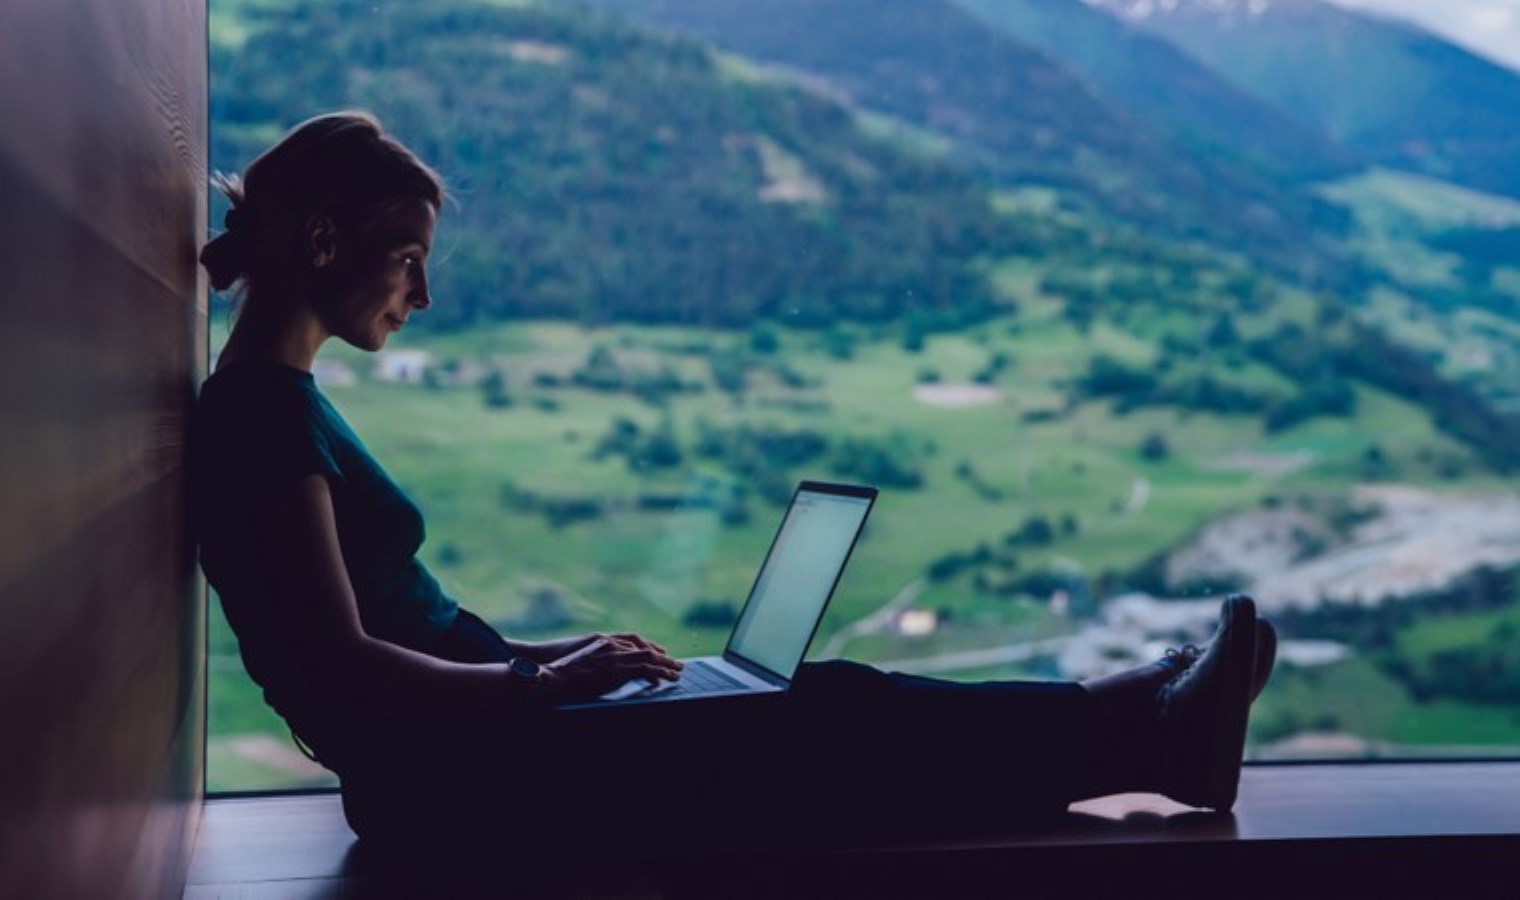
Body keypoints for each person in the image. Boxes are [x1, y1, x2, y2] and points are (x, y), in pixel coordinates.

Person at [192, 111, 1278, 857]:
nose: (421, 294)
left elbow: (393, 630)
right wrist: (537, 688)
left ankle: (1141, 708)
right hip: (460, 778)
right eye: (406, 257)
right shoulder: (261, 414)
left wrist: (550, 660)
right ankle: (1144, 729)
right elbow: (334, 668)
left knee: (814, 706)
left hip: (483, 739)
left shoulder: (276, 403)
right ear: (326, 239)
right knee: (827, 721)